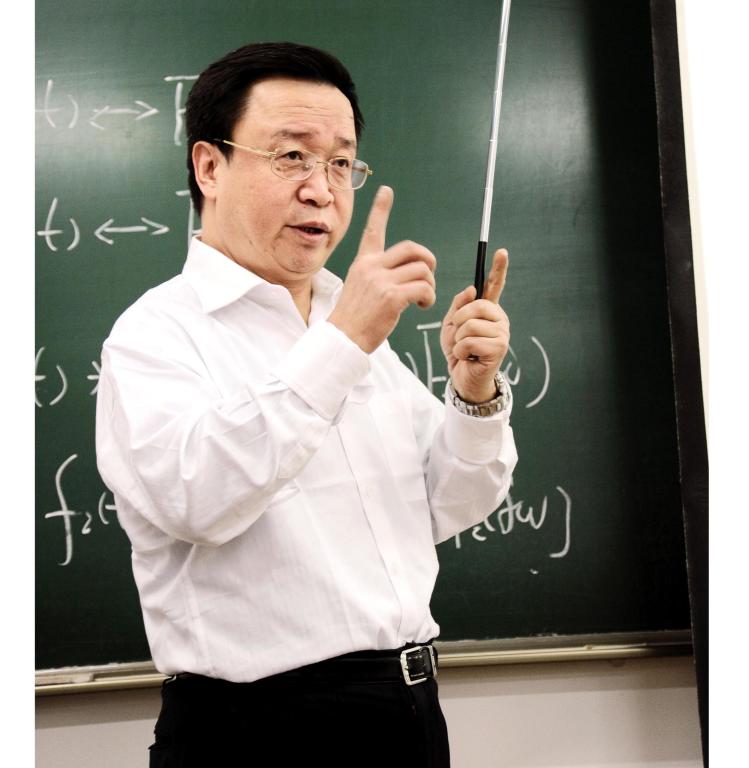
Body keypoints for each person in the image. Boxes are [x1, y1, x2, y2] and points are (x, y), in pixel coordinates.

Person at [95, 41, 517, 768]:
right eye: (291, 156)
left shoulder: (346, 322)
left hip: (408, 710)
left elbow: (445, 508)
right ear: (209, 167)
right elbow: (197, 498)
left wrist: (472, 395)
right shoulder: (155, 333)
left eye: (341, 163)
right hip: (259, 731)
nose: (322, 190)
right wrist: (344, 340)